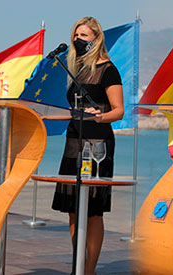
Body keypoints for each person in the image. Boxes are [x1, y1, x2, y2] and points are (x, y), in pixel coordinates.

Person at [51, 17, 124, 275]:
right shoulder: (77, 70)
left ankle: (89, 270)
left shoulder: (108, 70)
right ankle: (77, 266)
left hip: (98, 145)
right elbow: (73, 111)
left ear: (96, 39)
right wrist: (47, 116)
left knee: (93, 211)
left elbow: (118, 111)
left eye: (84, 36)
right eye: (76, 35)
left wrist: (98, 116)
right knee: (72, 209)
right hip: (74, 141)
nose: (78, 40)